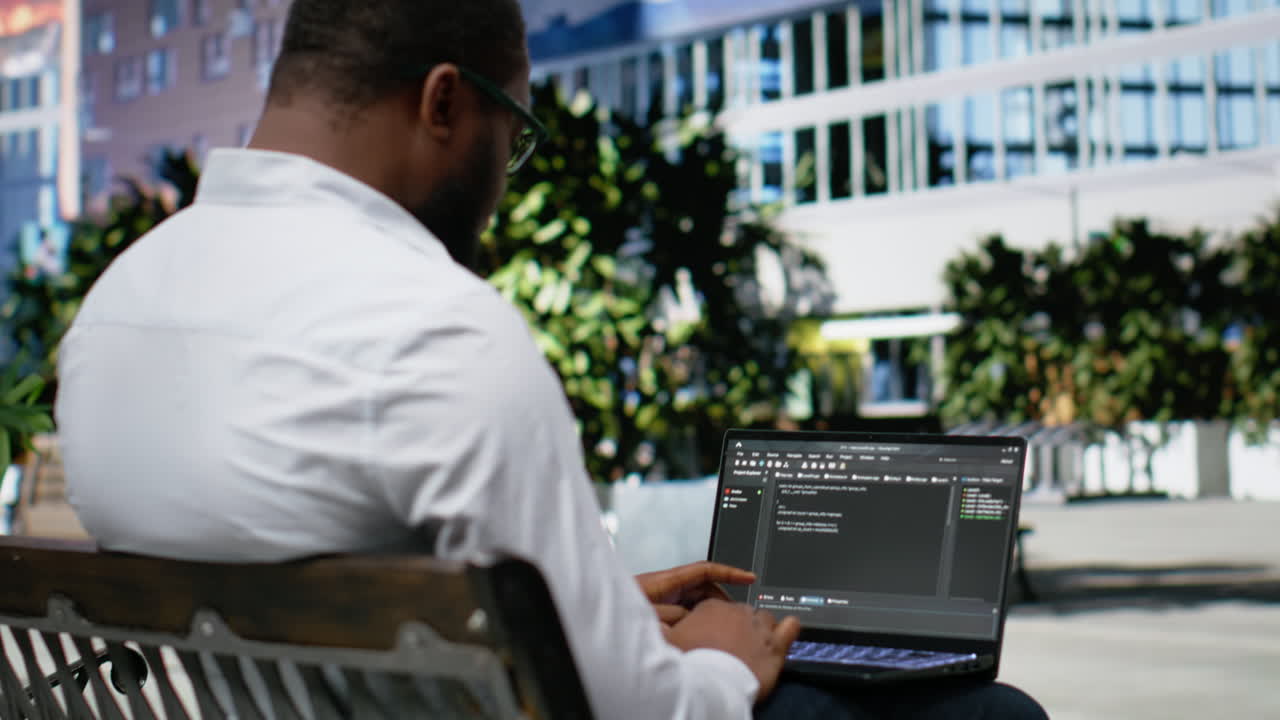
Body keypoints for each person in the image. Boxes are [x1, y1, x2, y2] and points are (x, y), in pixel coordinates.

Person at [55, 2, 1046, 718]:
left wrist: (598, 606)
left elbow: (295, 535)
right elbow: (644, 716)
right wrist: (724, 664)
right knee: (982, 715)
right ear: (445, 102)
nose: (501, 179)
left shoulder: (112, 314)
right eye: (511, 135)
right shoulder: (432, 328)